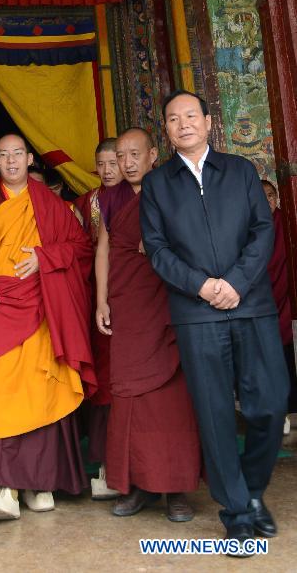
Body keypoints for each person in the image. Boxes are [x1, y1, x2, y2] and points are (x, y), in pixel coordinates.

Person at [140, 90, 289, 552]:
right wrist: (203, 287)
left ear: (208, 121)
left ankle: (250, 487)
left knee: (270, 402)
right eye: (172, 119)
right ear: (165, 131)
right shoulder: (157, 185)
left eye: (190, 115)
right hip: (196, 313)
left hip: (251, 304)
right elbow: (157, 250)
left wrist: (236, 284)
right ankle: (239, 513)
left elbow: (263, 231)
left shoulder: (241, 172)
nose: (182, 124)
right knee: (215, 414)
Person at [0, 134, 96, 521]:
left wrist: (45, 257)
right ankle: (1, 486)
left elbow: (81, 247)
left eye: (18, 154)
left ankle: (39, 483)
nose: (12, 160)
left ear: (30, 159)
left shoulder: (48, 202)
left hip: (37, 306)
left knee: (38, 391)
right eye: (4, 155)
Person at [97, 128, 200, 522]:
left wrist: (161, 243)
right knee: (129, 398)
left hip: (168, 306)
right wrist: (101, 300)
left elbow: (196, 238)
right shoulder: (112, 199)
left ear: (154, 154)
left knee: (172, 400)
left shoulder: (174, 189)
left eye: (134, 154)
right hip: (130, 307)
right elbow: (104, 249)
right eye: (120, 156)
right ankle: (137, 485)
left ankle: (176, 489)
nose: (127, 163)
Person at [87, 144, 135, 500]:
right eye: (100, 164)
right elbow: (98, 249)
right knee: (108, 379)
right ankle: (107, 462)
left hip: (141, 293)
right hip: (106, 294)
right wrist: (101, 299)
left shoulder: (150, 192)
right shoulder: (93, 202)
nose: (108, 169)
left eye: (113, 161)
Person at [261, 180, 297, 425]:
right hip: (262, 301)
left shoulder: (287, 222)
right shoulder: (247, 226)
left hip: (287, 301)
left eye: (271, 195)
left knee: (288, 353)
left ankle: (293, 407)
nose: (268, 201)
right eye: (262, 196)